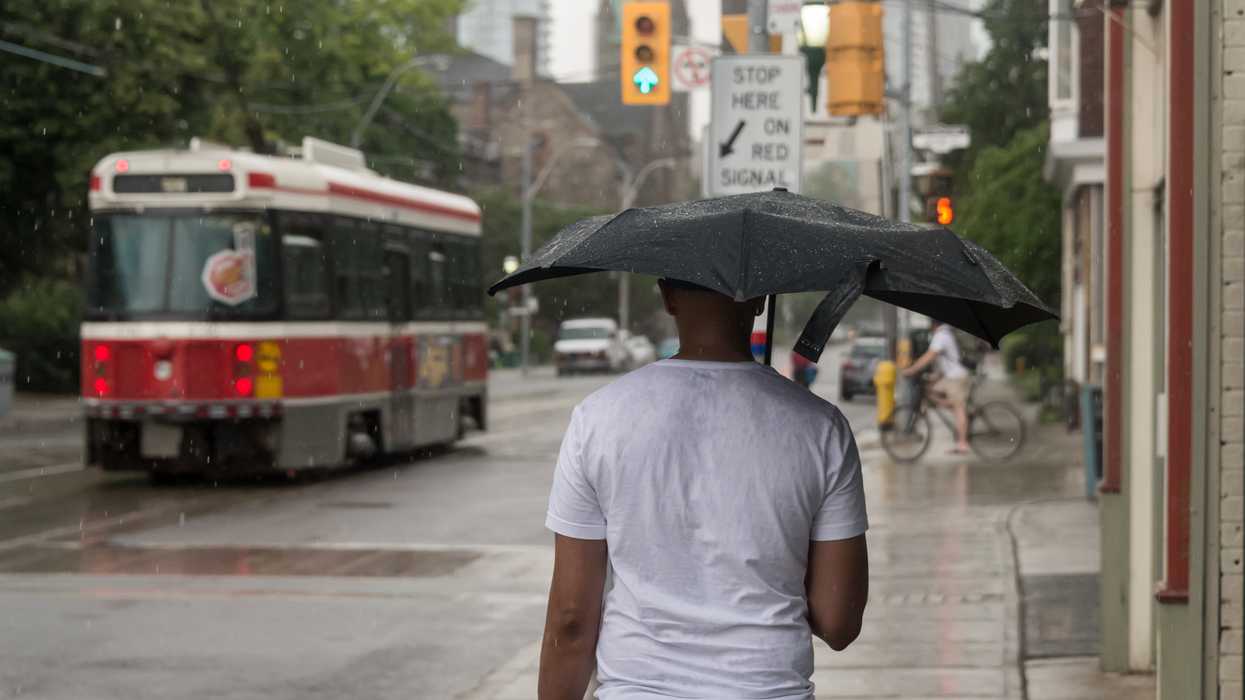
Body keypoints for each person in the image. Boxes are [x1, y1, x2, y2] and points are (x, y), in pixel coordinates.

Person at [537, 278, 870, 700]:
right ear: (760, 300)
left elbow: (570, 620)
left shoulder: (597, 419)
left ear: (668, 296)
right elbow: (840, 621)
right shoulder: (822, 429)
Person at [902, 321, 971, 454]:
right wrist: (935, 376)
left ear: (934, 325)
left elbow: (930, 355)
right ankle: (957, 413)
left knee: (959, 409)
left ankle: (963, 444)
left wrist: (912, 370)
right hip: (950, 377)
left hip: (956, 378)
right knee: (930, 390)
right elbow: (944, 360)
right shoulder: (945, 333)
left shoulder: (942, 335)